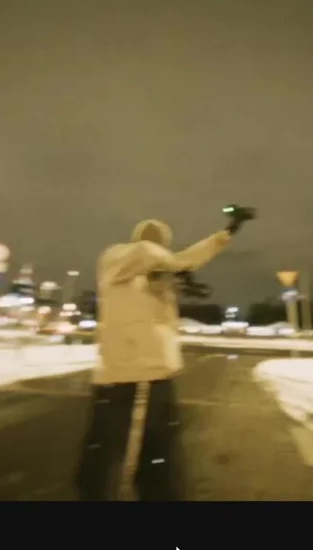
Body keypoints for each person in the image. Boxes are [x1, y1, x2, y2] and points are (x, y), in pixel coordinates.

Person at [77, 214, 244, 501]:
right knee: (106, 460)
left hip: (158, 376)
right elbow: (154, 255)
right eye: (163, 246)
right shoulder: (117, 259)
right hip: (122, 377)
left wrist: (225, 234)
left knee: (157, 461)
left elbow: (184, 261)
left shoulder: (157, 276)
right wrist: (172, 268)